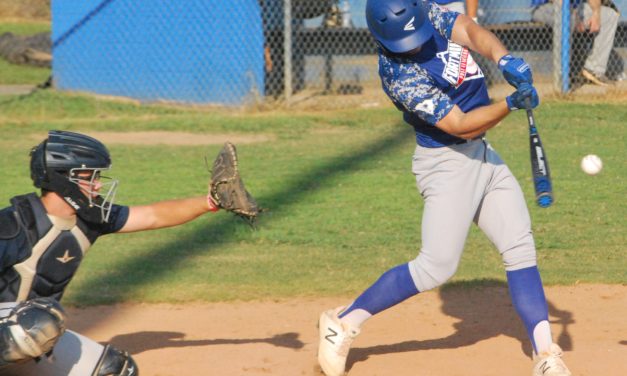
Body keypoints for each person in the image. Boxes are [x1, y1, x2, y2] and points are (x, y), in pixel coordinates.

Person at [316, 1, 572, 376]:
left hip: (482, 155)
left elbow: (468, 30)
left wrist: (504, 58)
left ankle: (546, 354)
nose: (415, 47)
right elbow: (461, 125)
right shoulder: (399, 75)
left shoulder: (424, 13)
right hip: (446, 166)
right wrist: (510, 104)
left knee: (519, 245)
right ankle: (343, 322)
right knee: (435, 267)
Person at [0, 130, 224, 375]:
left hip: (28, 334)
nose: (97, 184)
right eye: (89, 177)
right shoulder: (13, 225)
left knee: (114, 370)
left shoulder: (89, 219)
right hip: (14, 330)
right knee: (34, 324)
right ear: (61, 179)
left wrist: (211, 202)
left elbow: (152, 215)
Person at [531, 0, 620, 86]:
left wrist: (596, 14)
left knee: (609, 15)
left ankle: (594, 70)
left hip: (576, 9)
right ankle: (562, 75)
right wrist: (575, 16)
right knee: (567, 20)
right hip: (546, 7)